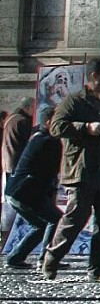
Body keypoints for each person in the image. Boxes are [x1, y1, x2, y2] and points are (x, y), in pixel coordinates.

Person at [43, 57, 100, 284]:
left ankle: (99, 268)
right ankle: (52, 258)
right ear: (93, 76)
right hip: (84, 173)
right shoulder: (75, 102)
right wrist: (85, 128)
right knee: (76, 219)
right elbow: (55, 127)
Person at [3, 110, 60, 269]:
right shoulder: (49, 141)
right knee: (56, 219)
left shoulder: (37, 136)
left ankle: (15, 257)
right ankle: (46, 258)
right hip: (27, 191)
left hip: (16, 190)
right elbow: (50, 172)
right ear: (49, 122)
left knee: (40, 224)